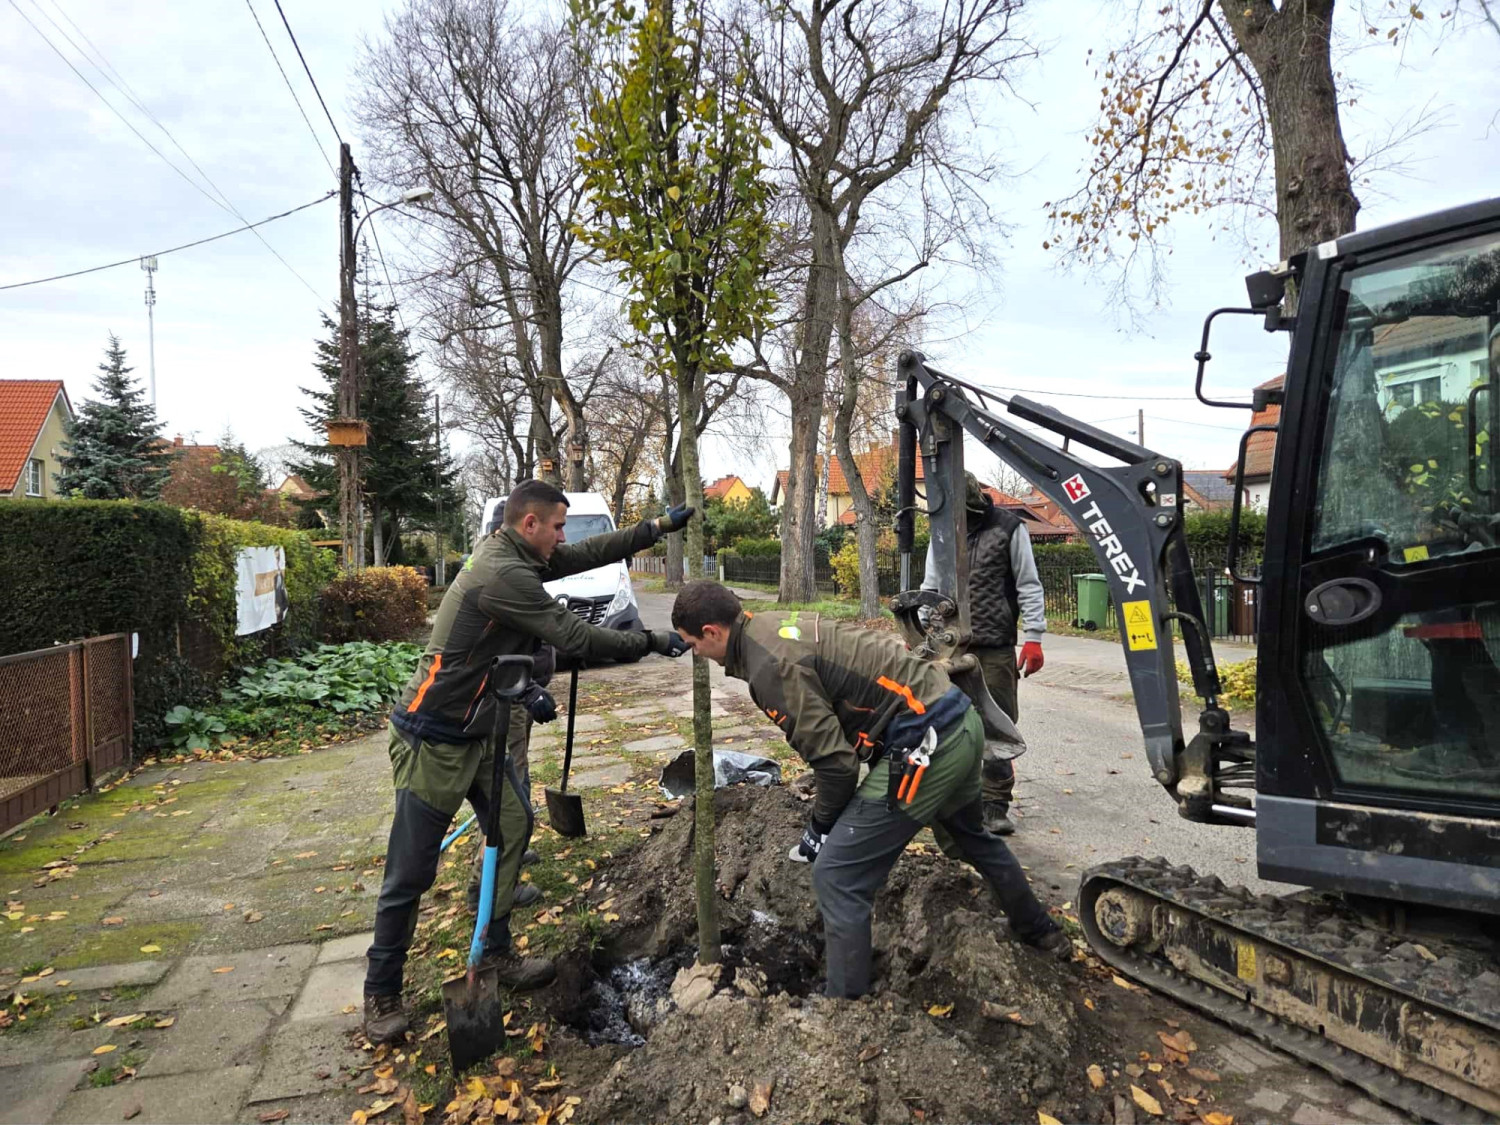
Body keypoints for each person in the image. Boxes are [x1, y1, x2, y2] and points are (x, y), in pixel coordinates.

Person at [364, 482, 695, 1044]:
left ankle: (495, 955)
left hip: (482, 730)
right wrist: (649, 641)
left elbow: (586, 555)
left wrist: (653, 530)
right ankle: (381, 991)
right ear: (529, 525)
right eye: (558, 527)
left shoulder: (519, 553)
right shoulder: (503, 574)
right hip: (435, 734)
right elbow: (570, 635)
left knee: (513, 828)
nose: (564, 538)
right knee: (412, 869)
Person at [671, 581, 1068, 1000]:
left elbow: (838, 765)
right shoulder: (770, 626)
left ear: (713, 632)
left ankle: (845, 1011)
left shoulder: (769, 665)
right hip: (960, 721)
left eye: (692, 643)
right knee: (971, 839)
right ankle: (1042, 933)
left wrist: (819, 829)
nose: (696, 653)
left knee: (838, 875)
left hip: (927, 742)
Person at [922, 473, 1047, 836]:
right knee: (947, 724)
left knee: (997, 724)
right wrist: (919, 630)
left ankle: (995, 803)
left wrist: (1034, 638)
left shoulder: (1009, 529)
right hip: (949, 645)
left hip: (994, 646)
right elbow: (931, 587)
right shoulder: (943, 534)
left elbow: (1028, 585)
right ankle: (957, 800)